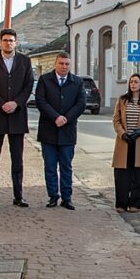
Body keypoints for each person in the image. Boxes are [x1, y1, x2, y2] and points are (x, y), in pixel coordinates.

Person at [0, 28, 35, 209]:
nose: (8, 43)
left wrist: (16, 103)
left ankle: (18, 196)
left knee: (17, 159)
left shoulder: (25, 61)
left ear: (16, 42)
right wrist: (1, 103)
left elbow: (28, 86)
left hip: (17, 117)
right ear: (0, 42)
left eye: (11, 40)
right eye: (5, 40)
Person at [36, 52, 86, 210]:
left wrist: (66, 118)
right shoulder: (45, 80)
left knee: (66, 166)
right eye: (61, 63)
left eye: (67, 64)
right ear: (55, 64)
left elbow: (81, 103)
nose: (64, 66)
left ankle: (67, 197)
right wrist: (55, 117)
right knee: (50, 166)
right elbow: (40, 101)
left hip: (67, 131)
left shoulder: (77, 82)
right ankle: (53, 196)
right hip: (48, 130)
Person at [112, 74, 140, 212]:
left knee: (137, 174)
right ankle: (121, 203)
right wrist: (122, 133)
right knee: (121, 174)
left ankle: (135, 203)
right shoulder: (122, 100)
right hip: (124, 141)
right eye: (131, 82)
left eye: (136, 82)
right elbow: (116, 120)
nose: (133, 84)